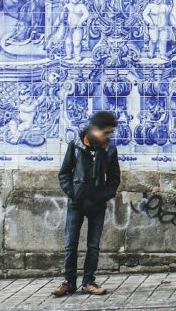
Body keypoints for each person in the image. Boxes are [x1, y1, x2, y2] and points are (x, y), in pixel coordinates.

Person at [52, 111, 121, 298]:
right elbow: (64, 173)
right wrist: (73, 193)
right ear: (94, 130)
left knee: (93, 246)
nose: (108, 136)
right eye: (105, 132)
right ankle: (69, 282)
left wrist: (104, 195)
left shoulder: (109, 150)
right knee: (70, 244)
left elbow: (114, 178)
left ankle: (88, 282)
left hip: (97, 204)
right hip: (76, 202)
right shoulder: (75, 146)